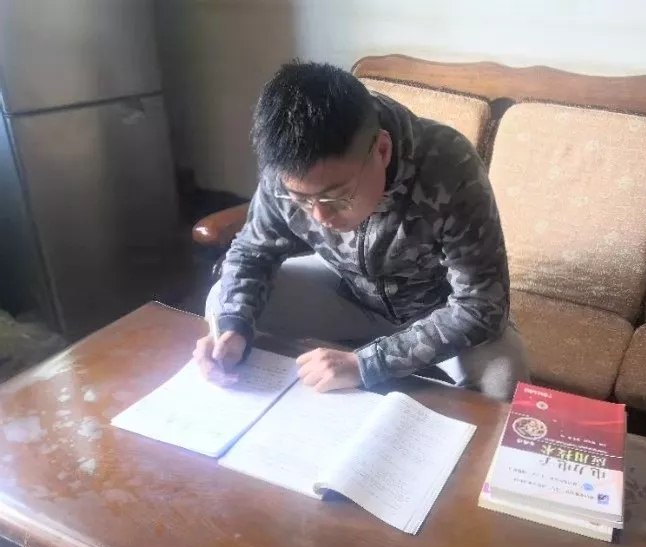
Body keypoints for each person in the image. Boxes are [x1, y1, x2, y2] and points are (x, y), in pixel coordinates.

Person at [194, 60, 531, 401]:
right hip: (346, 290)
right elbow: (253, 251)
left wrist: (368, 363)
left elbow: (480, 305)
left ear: (382, 150)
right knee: (225, 302)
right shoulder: (285, 163)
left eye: (338, 196)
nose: (321, 215)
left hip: (435, 307)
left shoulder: (449, 165)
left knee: (503, 374)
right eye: (302, 199)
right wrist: (232, 329)